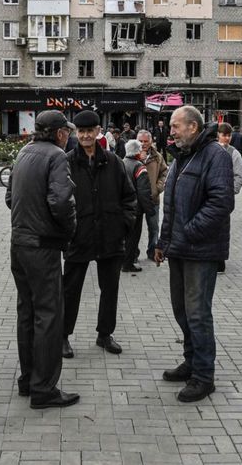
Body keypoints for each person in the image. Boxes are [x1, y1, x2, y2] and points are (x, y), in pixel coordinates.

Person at [154, 106, 235, 402]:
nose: (171, 131)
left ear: (193, 127)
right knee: (182, 310)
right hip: (178, 248)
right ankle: (190, 362)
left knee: (198, 313)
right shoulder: (181, 158)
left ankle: (204, 376)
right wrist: (163, 242)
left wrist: (188, 231)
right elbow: (171, 205)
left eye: (176, 126)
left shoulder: (216, 155)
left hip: (200, 250)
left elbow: (221, 202)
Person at [4, 110, 79, 408]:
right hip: (42, 247)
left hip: (19, 244)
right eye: (68, 132)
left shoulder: (24, 152)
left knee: (27, 312)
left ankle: (28, 380)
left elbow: (10, 198)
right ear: (60, 133)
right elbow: (61, 202)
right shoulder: (57, 156)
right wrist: (69, 230)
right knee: (49, 316)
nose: (69, 137)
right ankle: (44, 389)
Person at [62, 110, 137, 357]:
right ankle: (63, 336)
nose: (85, 136)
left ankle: (105, 334)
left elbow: (129, 197)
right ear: (76, 133)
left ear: (97, 132)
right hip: (79, 236)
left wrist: (123, 225)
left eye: (89, 131)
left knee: (110, 289)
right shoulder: (67, 162)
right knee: (70, 290)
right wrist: (67, 231)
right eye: (81, 132)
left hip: (109, 236)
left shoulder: (113, 161)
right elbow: (59, 201)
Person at [122, 139, 155, 273]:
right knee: (133, 237)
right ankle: (128, 264)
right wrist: (150, 210)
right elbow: (143, 191)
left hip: (121, 208)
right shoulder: (139, 167)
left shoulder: (120, 163)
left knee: (124, 236)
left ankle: (122, 261)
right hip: (136, 209)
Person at [137, 129, 167, 261]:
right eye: (140, 141)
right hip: (136, 200)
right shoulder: (131, 154)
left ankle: (151, 252)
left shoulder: (157, 156)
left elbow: (165, 173)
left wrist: (158, 187)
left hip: (152, 198)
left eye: (145, 141)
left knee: (154, 228)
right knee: (134, 230)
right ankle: (133, 254)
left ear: (151, 142)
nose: (143, 144)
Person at [217, 123, 242, 195]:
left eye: (229, 135)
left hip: (225, 195)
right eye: (224, 135)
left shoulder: (234, 153)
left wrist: (230, 192)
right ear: (218, 135)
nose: (227, 138)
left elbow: (239, 176)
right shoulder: (210, 150)